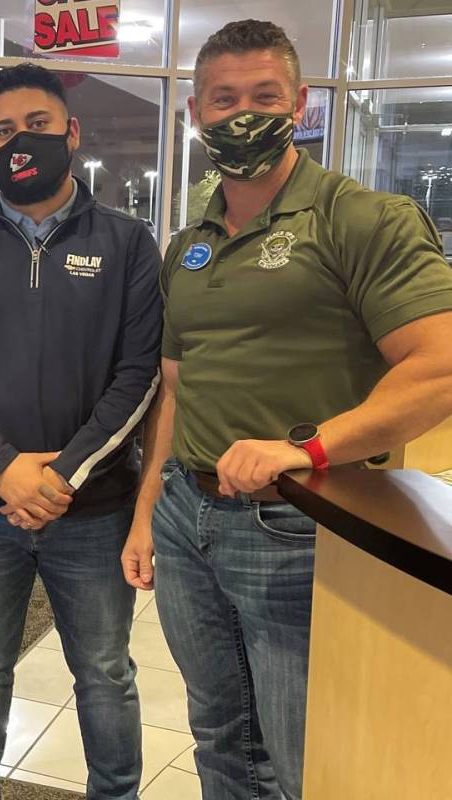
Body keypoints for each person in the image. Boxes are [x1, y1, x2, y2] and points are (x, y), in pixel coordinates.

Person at [121, 19, 452, 800]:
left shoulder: (361, 219)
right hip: (186, 516)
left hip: (297, 530)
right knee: (221, 737)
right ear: (197, 114)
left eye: (263, 96)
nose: (242, 114)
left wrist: (309, 449)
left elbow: (437, 367)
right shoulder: (189, 243)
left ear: (300, 103)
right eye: (223, 99)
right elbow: (177, 384)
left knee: (308, 754)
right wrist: (147, 509)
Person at [0, 63, 163, 800]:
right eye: (4, 132)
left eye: (39, 126)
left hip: (95, 507)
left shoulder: (126, 244)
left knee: (105, 670)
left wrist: (61, 475)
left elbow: (138, 374)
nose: (22, 142)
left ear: (72, 133)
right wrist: (3, 470)